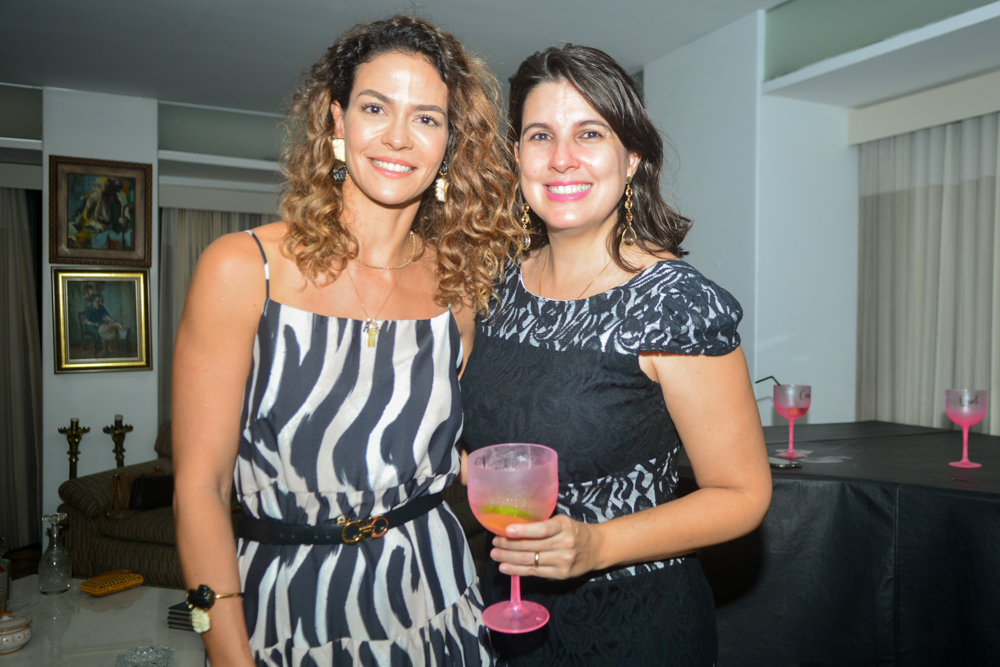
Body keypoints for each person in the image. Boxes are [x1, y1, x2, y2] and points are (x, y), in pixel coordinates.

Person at [172, 16, 521, 666]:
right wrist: (227, 654)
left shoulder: (460, 289)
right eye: (375, 107)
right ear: (337, 121)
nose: (398, 136)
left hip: (437, 600)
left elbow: (454, 453)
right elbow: (200, 488)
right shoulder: (244, 269)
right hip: (290, 606)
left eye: (426, 118)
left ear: (450, 142)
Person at [459, 45, 772, 666]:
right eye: (540, 135)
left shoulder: (675, 303)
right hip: (503, 608)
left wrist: (596, 545)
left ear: (631, 158)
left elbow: (741, 494)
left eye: (590, 133)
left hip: (633, 623)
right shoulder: (490, 285)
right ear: (517, 156)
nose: (561, 157)